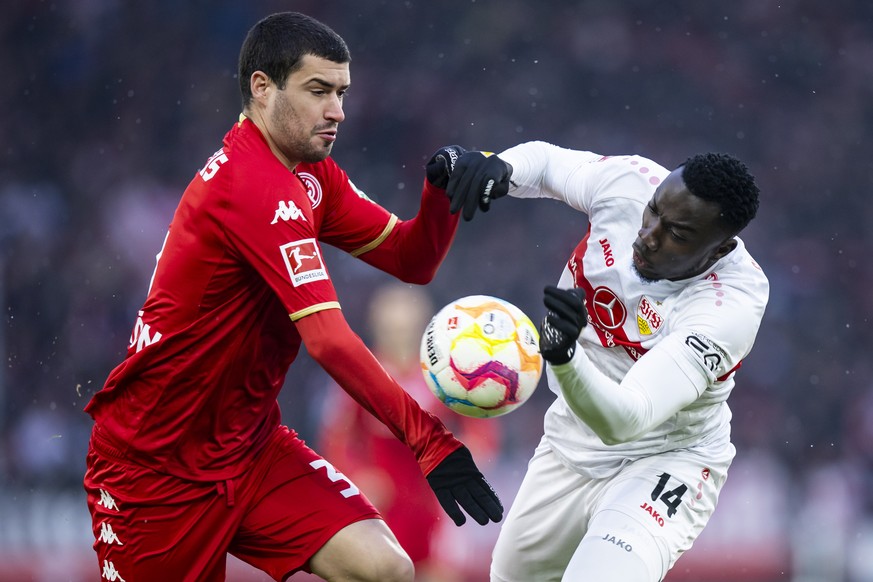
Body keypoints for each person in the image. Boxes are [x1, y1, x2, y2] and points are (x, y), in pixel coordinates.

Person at [81, 12, 502, 582]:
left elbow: (412, 259)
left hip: (250, 450)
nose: (338, 111)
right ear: (262, 87)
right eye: (318, 91)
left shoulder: (311, 175)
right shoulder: (249, 185)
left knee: (386, 569)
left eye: (342, 93)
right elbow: (327, 340)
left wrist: (441, 195)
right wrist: (429, 442)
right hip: (157, 469)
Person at [445, 142, 769, 581]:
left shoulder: (729, 305)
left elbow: (626, 419)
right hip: (568, 443)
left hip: (664, 457)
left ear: (718, 250)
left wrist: (565, 356)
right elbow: (543, 163)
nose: (649, 235)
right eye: (653, 212)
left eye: (677, 234)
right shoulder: (631, 182)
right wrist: (500, 167)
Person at [318, 282, 502, 582]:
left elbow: (480, 424)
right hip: (384, 505)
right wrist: (357, 474)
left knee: (440, 573)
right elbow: (336, 438)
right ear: (377, 326)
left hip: (436, 501)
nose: (399, 336)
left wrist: (472, 450)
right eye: (391, 328)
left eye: (406, 327)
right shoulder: (360, 372)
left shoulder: (442, 371)